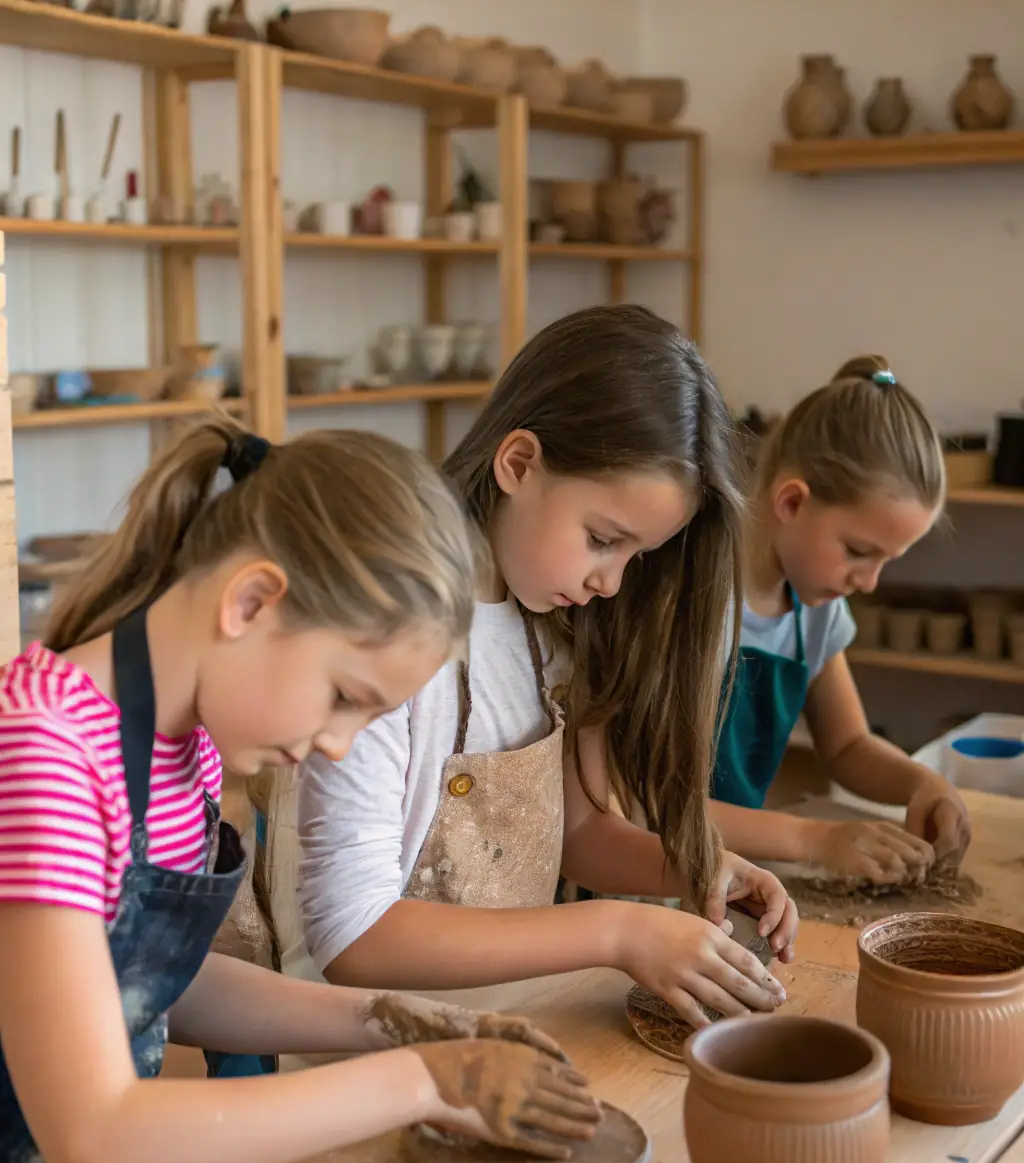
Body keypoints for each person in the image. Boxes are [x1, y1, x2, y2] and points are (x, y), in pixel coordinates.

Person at [0, 419, 601, 1163]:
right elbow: (94, 1136)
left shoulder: (184, 750)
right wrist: (424, 1080)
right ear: (251, 601)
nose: (338, 742)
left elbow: (146, 981)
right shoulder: (46, 752)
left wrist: (381, 1018)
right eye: (345, 695)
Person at [281, 305, 795, 1039]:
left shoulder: (549, 625)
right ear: (518, 463)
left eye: (634, 556)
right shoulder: (386, 631)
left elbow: (570, 832)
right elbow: (353, 934)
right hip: (354, 1050)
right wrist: (618, 932)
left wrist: (695, 866)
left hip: (504, 1028)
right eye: (601, 539)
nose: (612, 583)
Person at [710, 355, 971, 883]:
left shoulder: (816, 610)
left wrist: (923, 784)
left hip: (727, 870)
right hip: (642, 884)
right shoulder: (698, 603)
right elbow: (651, 810)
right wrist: (815, 838)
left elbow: (848, 747)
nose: (869, 581)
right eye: (857, 550)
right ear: (791, 501)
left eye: (886, 561)